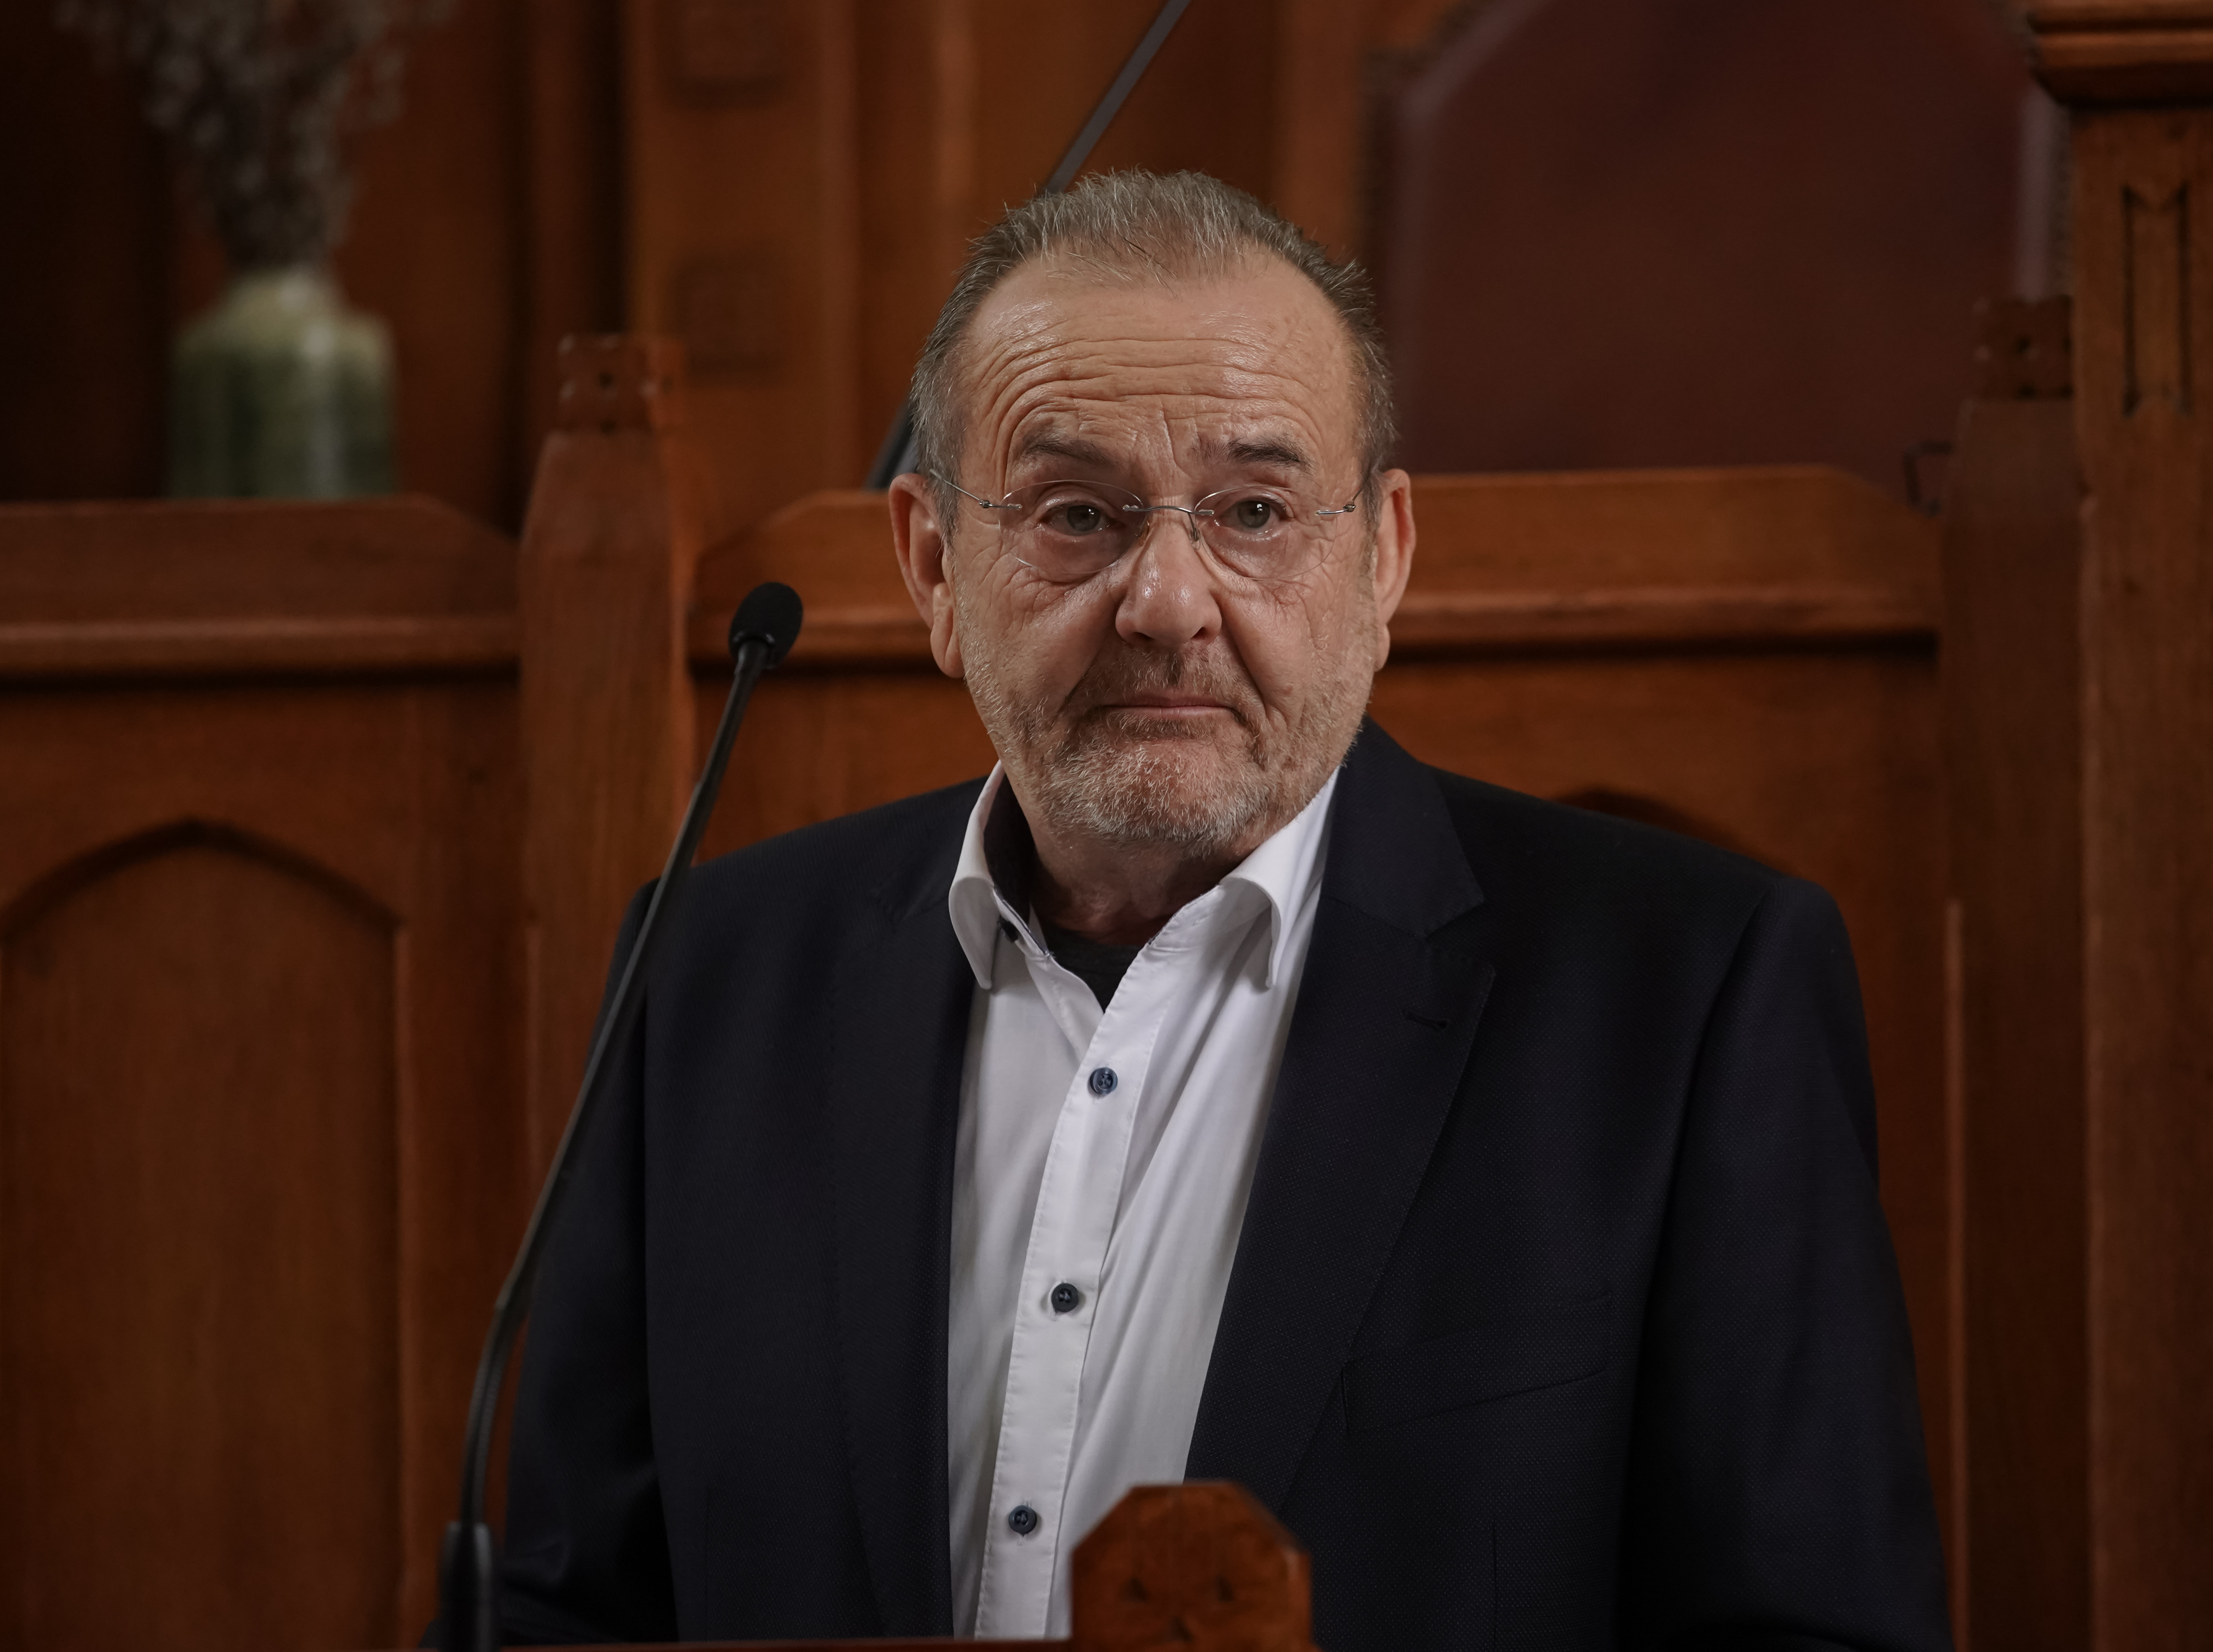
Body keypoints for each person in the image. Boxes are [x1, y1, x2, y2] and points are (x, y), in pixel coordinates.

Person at [499, 171, 1951, 1652]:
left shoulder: (1685, 1000)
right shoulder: (707, 980)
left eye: (1254, 511)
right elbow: (562, 1616)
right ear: (932, 565)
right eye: (1077, 514)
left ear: (1382, 557)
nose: (1167, 602)